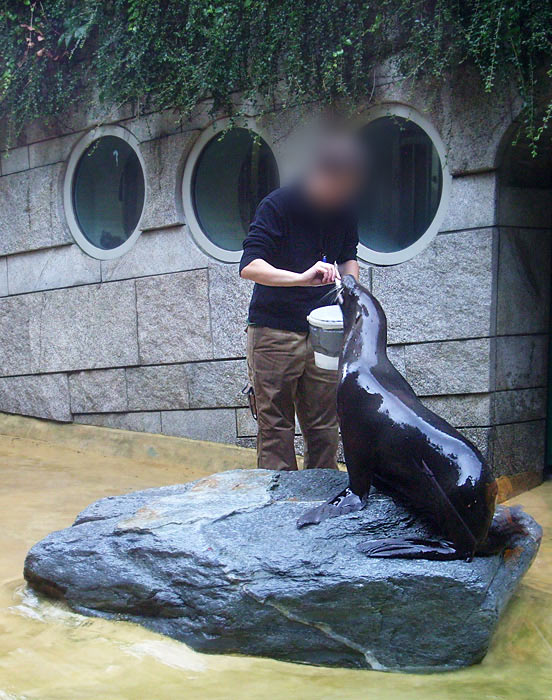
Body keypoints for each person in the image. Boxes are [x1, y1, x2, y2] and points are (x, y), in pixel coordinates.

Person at [239, 134, 362, 471]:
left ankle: (322, 506)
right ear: (321, 174)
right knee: (276, 426)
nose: (343, 196)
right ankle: (280, 509)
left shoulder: (344, 209)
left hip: (324, 334)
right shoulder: (278, 205)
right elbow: (249, 266)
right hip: (275, 332)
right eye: (339, 187)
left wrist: (351, 290)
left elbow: (349, 255)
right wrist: (301, 278)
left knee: (325, 427)